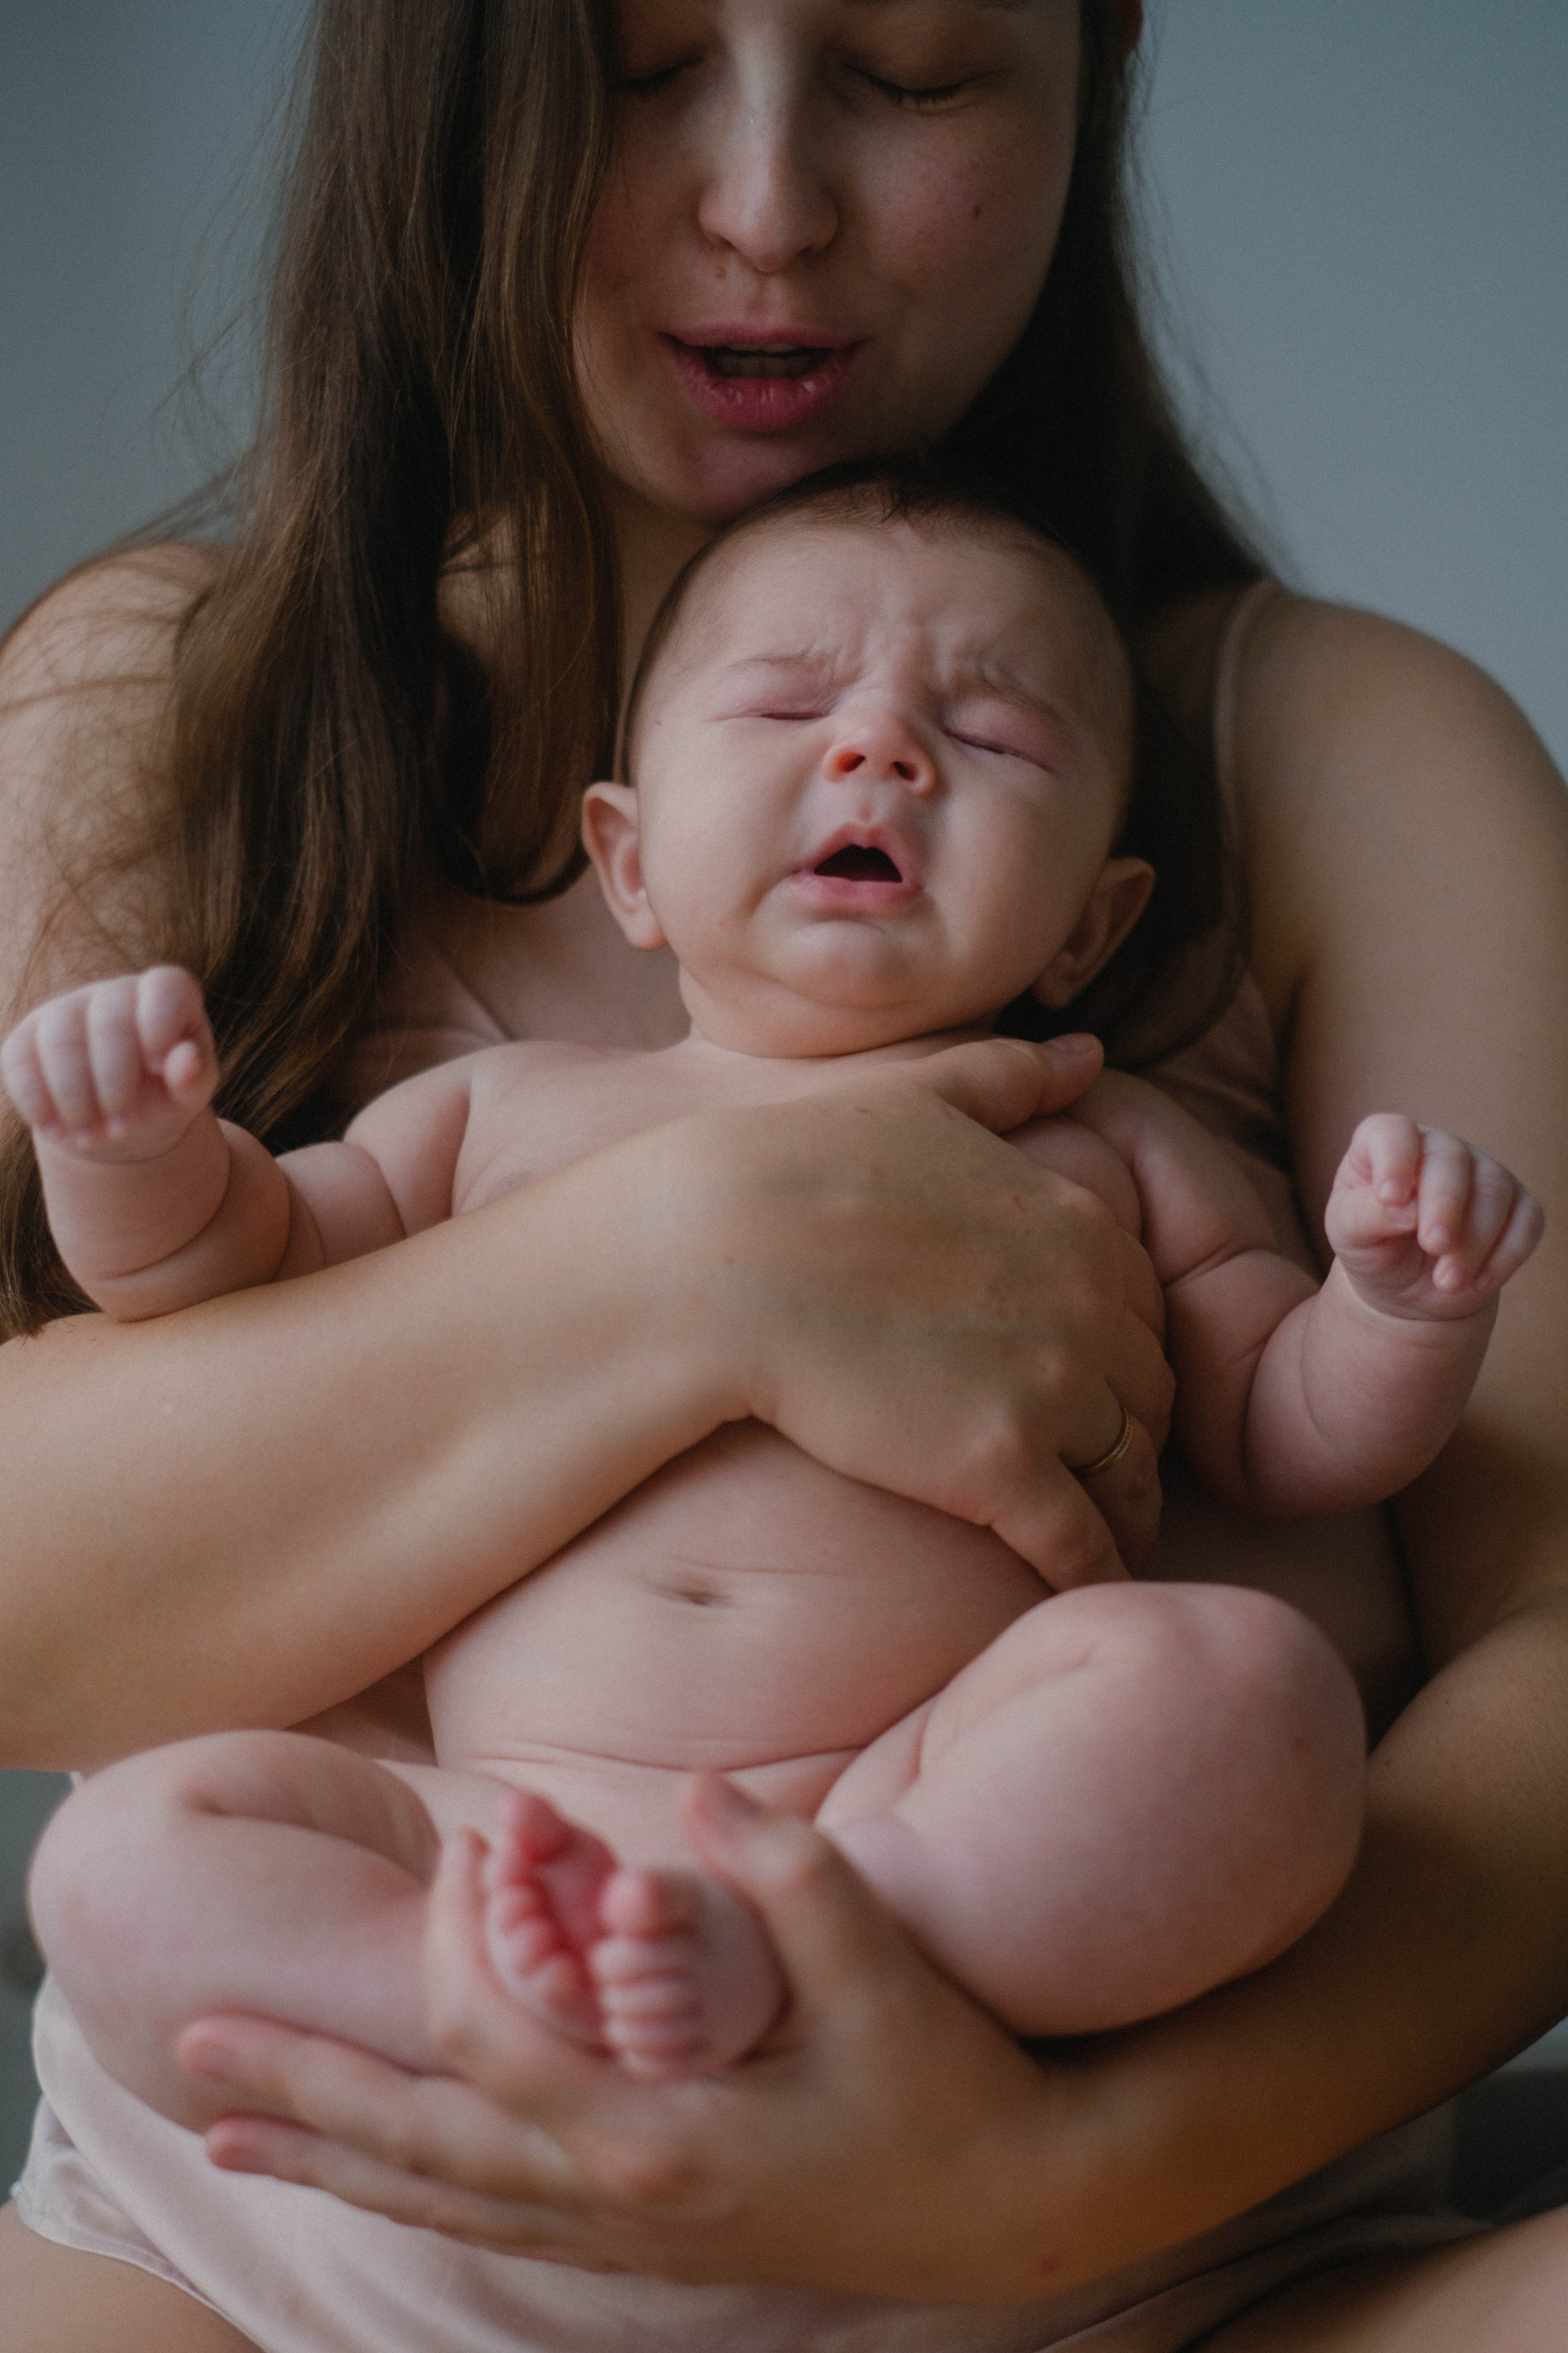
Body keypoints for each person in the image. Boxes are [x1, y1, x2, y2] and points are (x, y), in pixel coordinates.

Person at [1, 4, 1564, 2349]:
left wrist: (1048, 2179)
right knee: (135, 1862)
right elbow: (174, 1323)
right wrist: (696, 1253)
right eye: (637, 67)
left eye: (913, 69)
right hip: (324, 2225)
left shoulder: (1305, 798)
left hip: (1143, 2249)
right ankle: (515, 2020)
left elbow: (1493, 1573)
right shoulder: (178, 706)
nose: (766, 207)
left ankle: (808, 1966)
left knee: (1234, 1693)